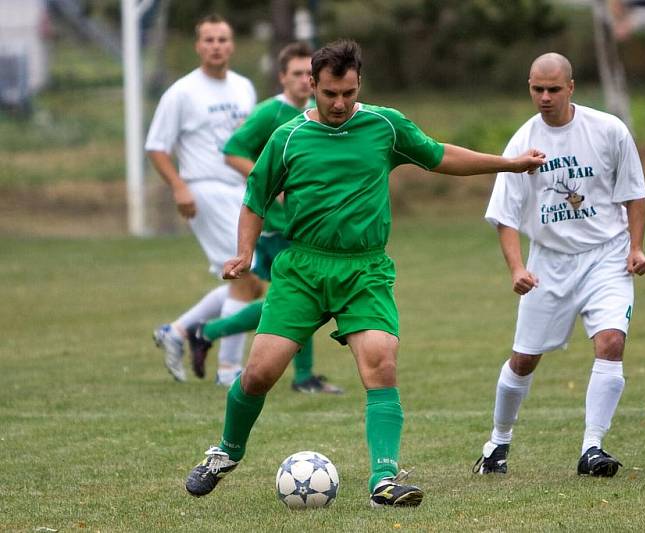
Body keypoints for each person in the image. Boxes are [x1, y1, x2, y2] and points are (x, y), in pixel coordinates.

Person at [184, 39, 546, 507]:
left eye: (348, 94)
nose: (339, 104)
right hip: (303, 269)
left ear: (359, 87)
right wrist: (244, 252)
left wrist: (510, 164)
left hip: (365, 270)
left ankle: (384, 480)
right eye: (329, 93)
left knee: (381, 364)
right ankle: (226, 452)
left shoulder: (384, 125)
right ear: (311, 85)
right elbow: (255, 199)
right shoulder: (288, 137)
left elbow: (438, 155)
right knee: (258, 374)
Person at [472, 52, 645, 478]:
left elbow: (635, 193)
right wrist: (517, 269)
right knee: (524, 360)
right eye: (538, 89)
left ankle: (592, 448)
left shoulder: (608, 130)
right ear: (530, 88)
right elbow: (505, 216)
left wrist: (636, 248)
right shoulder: (522, 143)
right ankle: (498, 443)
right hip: (549, 263)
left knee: (611, 342)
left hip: (607, 255)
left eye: (554, 89)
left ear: (571, 87)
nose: (546, 97)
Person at [186, 42, 342, 395]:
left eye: (309, 74)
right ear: (282, 77)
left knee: (294, 303)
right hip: (280, 227)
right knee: (304, 302)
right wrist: (272, 182)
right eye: (297, 74)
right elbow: (232, 151)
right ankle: (301, 377)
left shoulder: (320, 113)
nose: (304, 80)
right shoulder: (270, 114)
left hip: (305, 226)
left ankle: (205, 333)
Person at [146, 14, 262, 386]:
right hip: (205, 189)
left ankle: (177, 331)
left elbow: (251, 140)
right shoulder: (182, 92)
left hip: (240, 190)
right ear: (198, 46)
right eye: (209, 39)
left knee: (244, 280)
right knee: (247, 274)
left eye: (223, 39)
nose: (216, 46)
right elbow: (156, 147)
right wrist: (180, 187)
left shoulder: (243, 87)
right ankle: (229, 371)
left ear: (232, 45)